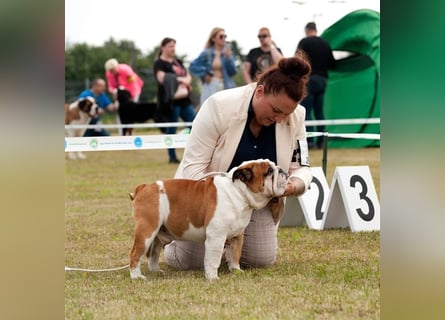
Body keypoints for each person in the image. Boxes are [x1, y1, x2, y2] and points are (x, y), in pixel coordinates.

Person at [164, 56, 313, 270]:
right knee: (191, 262)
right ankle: (172, 239)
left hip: (255, 202)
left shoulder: (297, 116)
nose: (280, 119)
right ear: (260, 91)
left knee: (260, 260)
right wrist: (217, 213)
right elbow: (192, 168)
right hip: (206, 199)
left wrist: (293, 186)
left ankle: (226, 246)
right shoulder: (218, 106)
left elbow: (302, 168)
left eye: (286, 114)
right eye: (276, 110)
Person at [153, 37, 196, 164]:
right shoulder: (159, 63)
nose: (173, 49)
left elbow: (187, 75)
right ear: (163, 47)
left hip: (185, 100)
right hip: (171, 101)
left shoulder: (177, 61)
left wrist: (185, 80)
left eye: (174, 46)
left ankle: (195, 154)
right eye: (170, 46)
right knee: (171, 128)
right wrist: (181, 80)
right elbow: (162, 79)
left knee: (195, 124)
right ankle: (172, 156)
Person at [295, 22, 335, 149]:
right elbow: (332, 63)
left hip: (308, 80)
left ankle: (310, 141)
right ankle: (322, 141)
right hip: (323, 80)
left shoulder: (304, 42)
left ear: (307, 30)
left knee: (306, 111)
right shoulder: (325, 43)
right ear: (316, 30)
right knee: (319, 112)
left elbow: (297, 61)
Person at [189, 27, 237, 106]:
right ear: (213, 38)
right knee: (208, 111)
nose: (224, 38)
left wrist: (229, 59)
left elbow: (233, 72)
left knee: (226, 112)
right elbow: (193, 66)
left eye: (225, 36)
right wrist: (205, 73)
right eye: (221, 36)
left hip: (226, 85)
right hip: (210, 85)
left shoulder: (228, 53)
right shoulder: (206, 53)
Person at [105, 58, 144, 135]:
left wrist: (128, 95)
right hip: (119, 95)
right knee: (120, 112)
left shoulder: (126, 70)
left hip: (132, 92)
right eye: (110, 71)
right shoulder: (109, 73)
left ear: (117, 66)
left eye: (113, 70)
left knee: (131, 112)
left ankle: (130, 131)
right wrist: (114, 91)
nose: (112, 72)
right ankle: (121, 132)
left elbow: (133, 84)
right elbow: (110, 86)